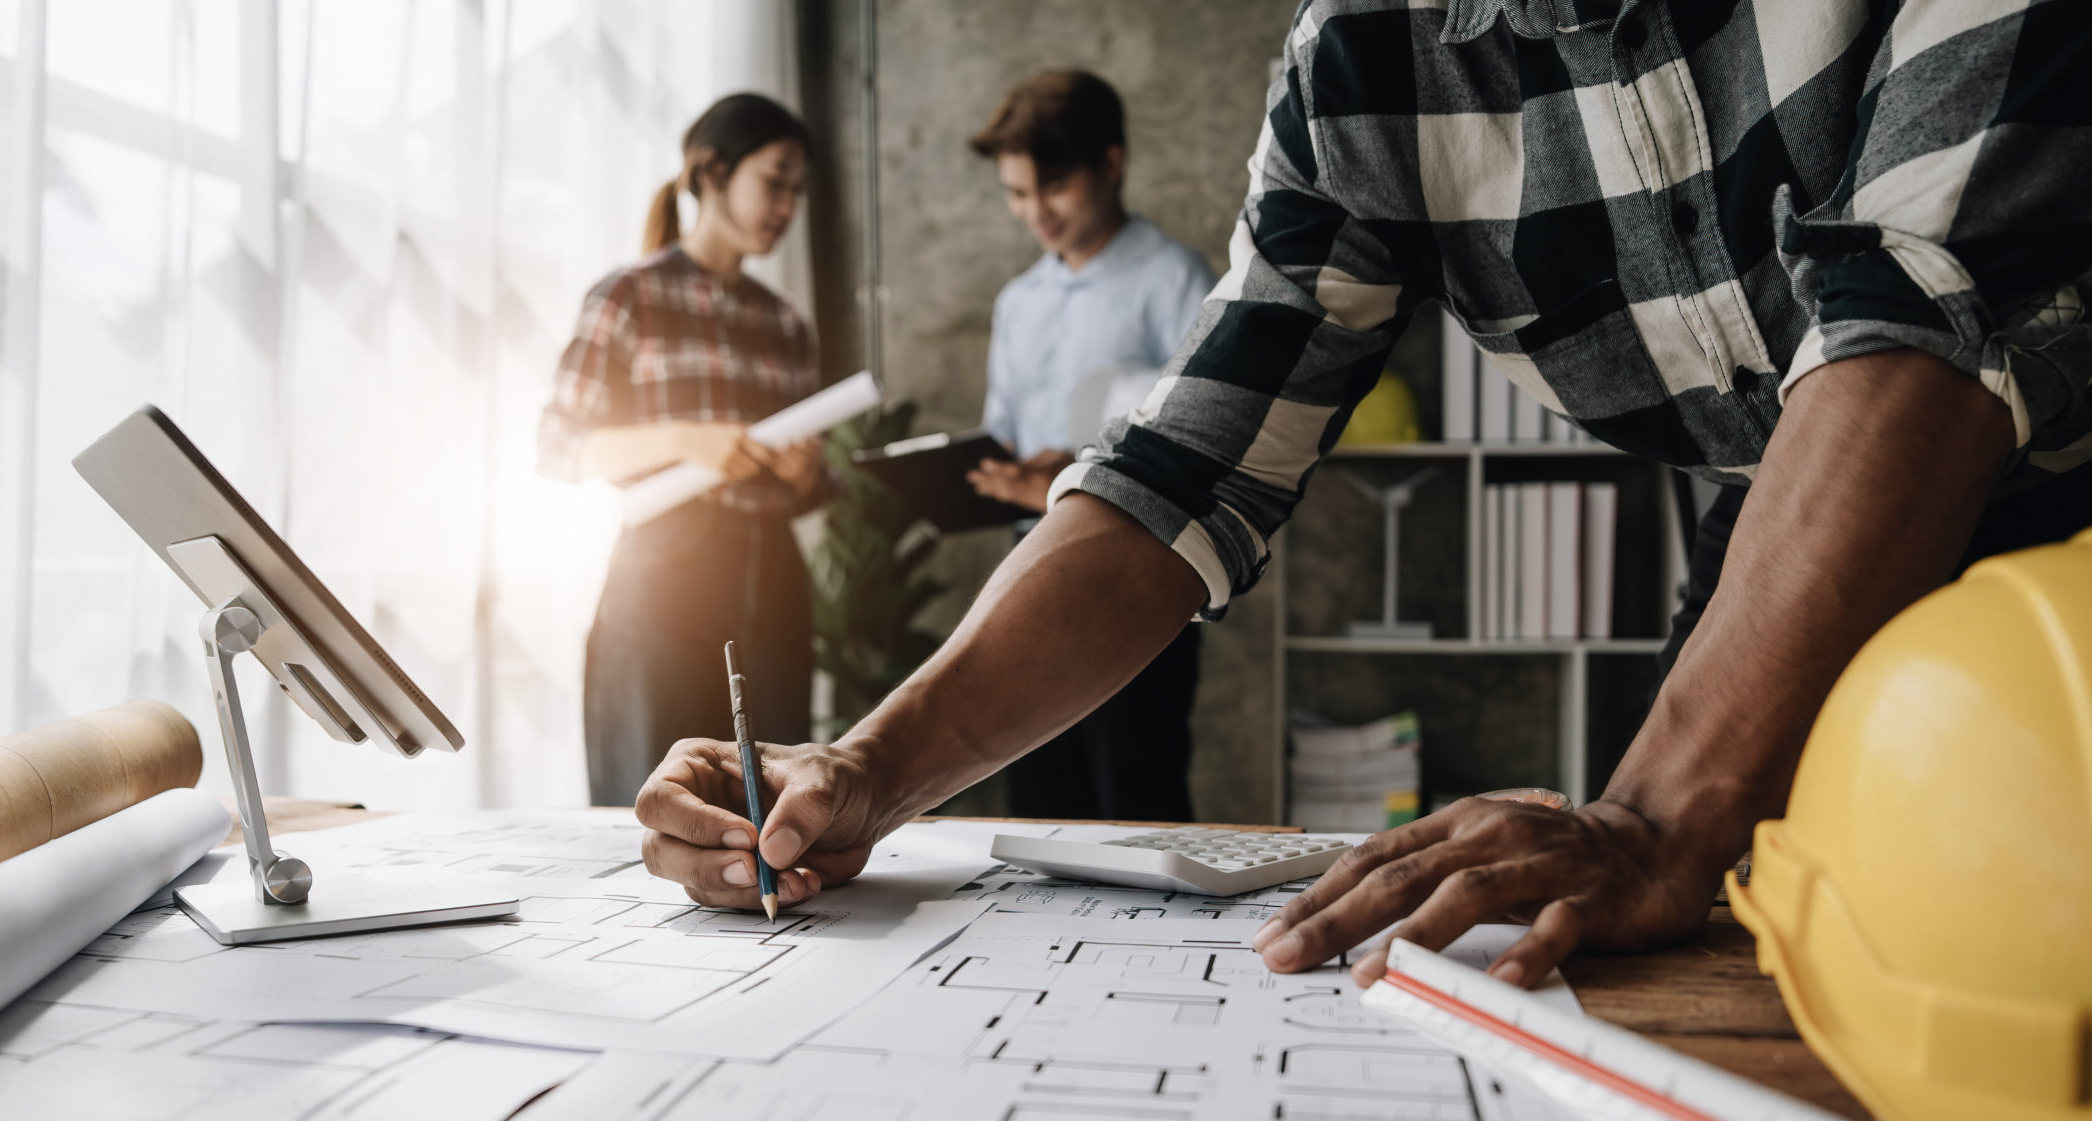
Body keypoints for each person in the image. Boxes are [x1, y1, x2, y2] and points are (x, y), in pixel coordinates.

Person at [632, 3, 2092, 975]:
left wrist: (1652, 816)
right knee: (1714, 972)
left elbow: (1919, 326)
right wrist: (869, 770)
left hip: (2054, 514)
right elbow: (1182, 462)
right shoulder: (1366, 58)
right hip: (1776, 517)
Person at [543, 93, 828, 807]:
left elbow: (808, 486)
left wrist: (803, 475)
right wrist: (684, 441)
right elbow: (558, 447)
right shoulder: (627, 296)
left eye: (798, 190)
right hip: (660, 588)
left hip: (772, 585)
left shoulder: (785, 324)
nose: (787, 206)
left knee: (774, 811)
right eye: (774, 181)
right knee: (649, 814)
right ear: (711, 172)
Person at [959, 69, 1217, 822]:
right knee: (1039, 803)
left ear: (1111, 164)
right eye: (1015, 193)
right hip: (1026, 575)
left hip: (1137, 578)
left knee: (1135, 795)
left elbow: (1201, 446)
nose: (1034, 211)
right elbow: (1002, 427)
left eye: (1053, 186)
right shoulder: (1019, 302)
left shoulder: (1175, 280)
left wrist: (1067, 473)